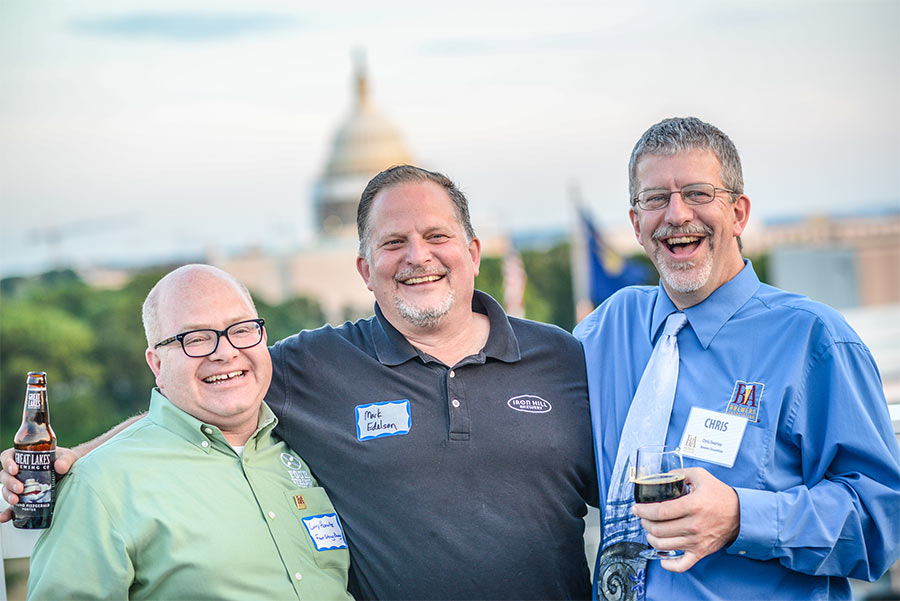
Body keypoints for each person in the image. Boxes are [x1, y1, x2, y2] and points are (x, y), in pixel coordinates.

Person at [3, 165, 598, 600]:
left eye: (436, 237)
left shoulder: (564, 358)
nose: (418, 256)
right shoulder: (314, 367)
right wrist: (74, 458)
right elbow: (200, 395)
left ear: (472, 250)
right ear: (365, 269)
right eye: (393, 242)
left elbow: (626, 491)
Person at [574, 116, 900, 600]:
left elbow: (881, 522)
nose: (677, 214)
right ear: (636, 225)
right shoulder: (607, 330)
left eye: (699, 193)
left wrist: (740, 517)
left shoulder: (815, 340)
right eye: (655, 199)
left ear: (739, 214)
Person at [19, 265, 354, 600]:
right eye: (195, 339)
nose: (224, 352)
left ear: (263, 338)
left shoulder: (308, 442)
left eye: (240, 330)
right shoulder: (100, 485)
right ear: (157, 365)